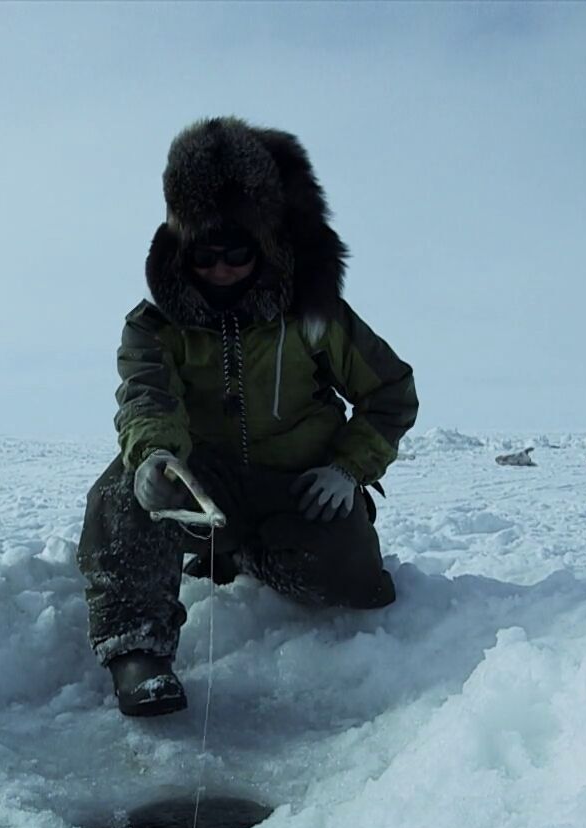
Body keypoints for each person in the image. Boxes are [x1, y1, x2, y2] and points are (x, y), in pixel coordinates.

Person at [78, 117, 420, 717]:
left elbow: (390, 391)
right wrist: (155, 456)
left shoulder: (315, 313)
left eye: (236, 252)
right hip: (201, 482)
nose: (220, 268)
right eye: (204, 253)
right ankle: (139, 654)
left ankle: (251, 554)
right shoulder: (152, 324)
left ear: (262, 245)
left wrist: (348, 468)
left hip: (300, 483)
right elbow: (146, 395)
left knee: (357, 587)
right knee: (121, 496)